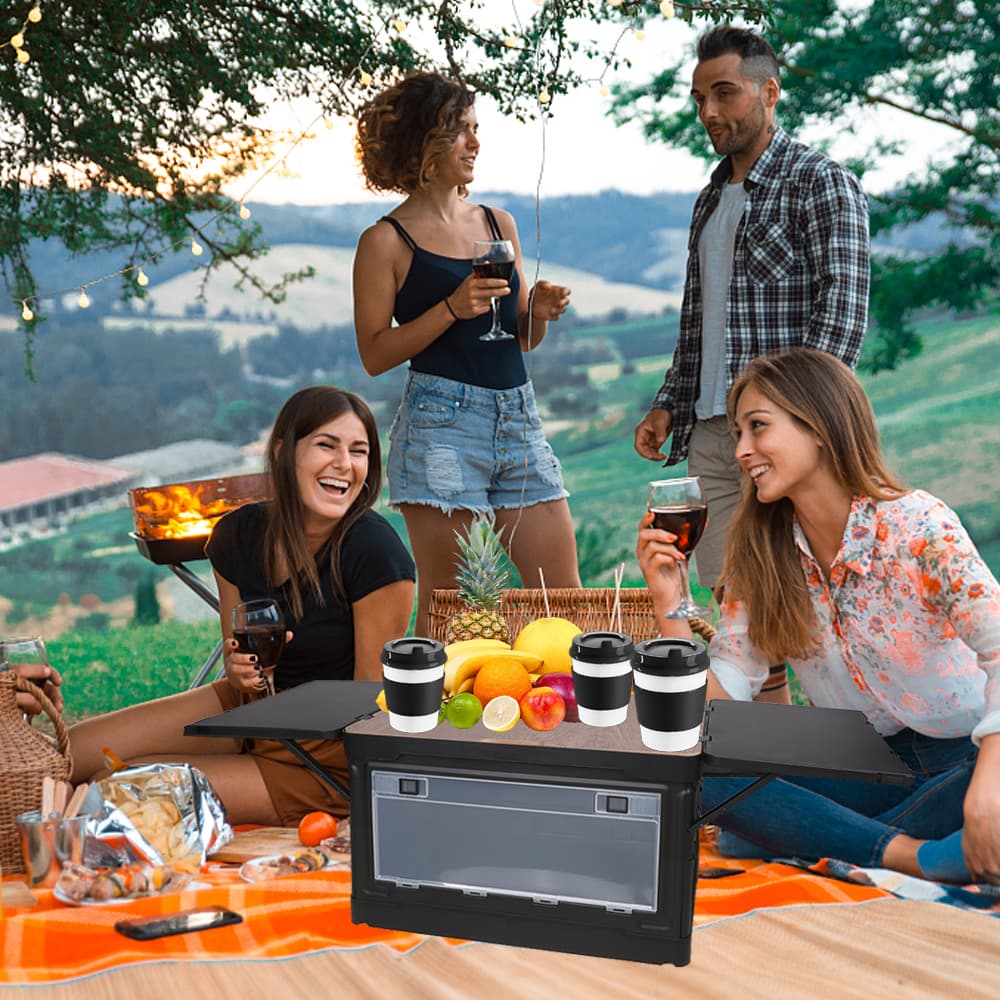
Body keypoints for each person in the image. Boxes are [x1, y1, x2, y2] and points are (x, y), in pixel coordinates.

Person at [636, 348, 1000, 884]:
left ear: (820, 427)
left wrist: (989, 784)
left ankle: (812, 834)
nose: (741, 451)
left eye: (758, 427)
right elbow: (712, 719)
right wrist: (670, 603)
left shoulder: (918, 527)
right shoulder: (762, 555)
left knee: (748, 827)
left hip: (970, 755)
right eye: (738, 433)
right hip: (861, 762)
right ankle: (910, 854)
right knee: (692, 762)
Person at [69, 386, 415, 826]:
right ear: (284, 452)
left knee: (112, 789)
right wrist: (242, 673)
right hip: (251, 710)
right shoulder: (237, 536)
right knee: (71, 755)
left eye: (359, 451)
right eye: (327, 445)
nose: (344, 464)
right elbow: (239, 665)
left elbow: (371, 707)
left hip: (327, 757)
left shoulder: (375, 552)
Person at [633, 25, 870, 595]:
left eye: (725, 93)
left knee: (803, 599)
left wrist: (796, 420)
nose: (708, 112)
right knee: (733, 606)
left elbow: (842, 315)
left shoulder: (820, 182)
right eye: (700, 99)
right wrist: (669, 403)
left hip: (786, 437)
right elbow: (699, 323)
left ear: (769, 93)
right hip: (711, 435)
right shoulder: (710, 200)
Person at [352, 71, 580, 636]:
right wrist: (451, 309)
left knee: (563, 597)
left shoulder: (497, 223)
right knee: (452, 609)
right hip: (440, 431)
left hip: (518, 420)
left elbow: (520, 336)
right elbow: (374, 353)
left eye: (476, 129)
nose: (475, 142)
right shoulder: (385, 241)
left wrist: (539, 312)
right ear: (422, 141)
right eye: (460, 130)